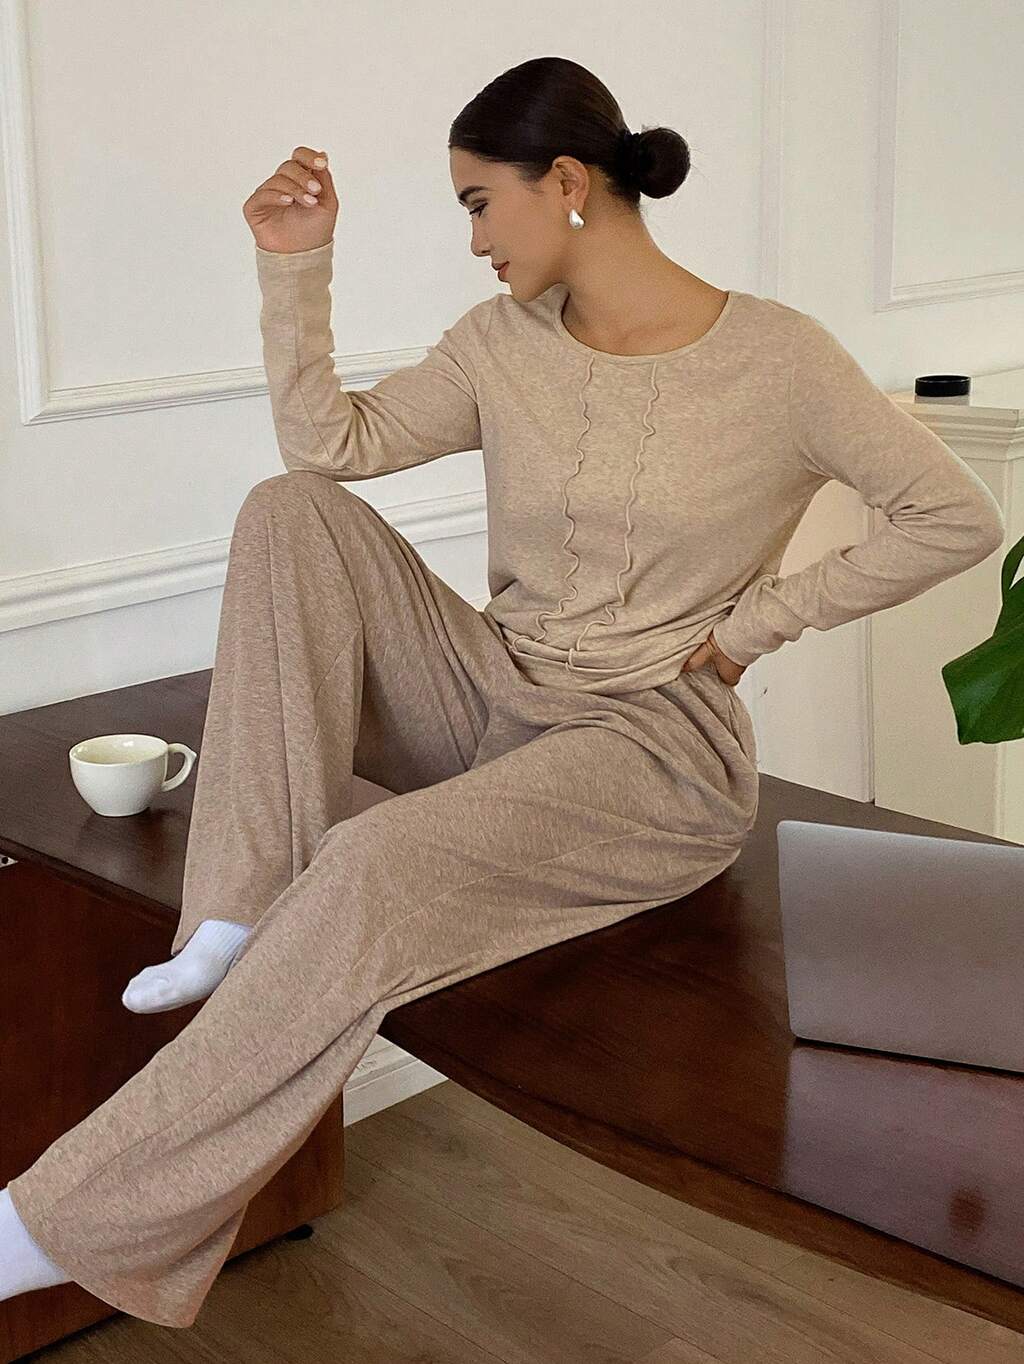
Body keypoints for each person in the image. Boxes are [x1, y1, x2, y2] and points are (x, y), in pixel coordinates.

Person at [0, 56, 1003, 1329]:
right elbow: (331, 448)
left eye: (480, 203)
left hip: (651, 749)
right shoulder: (501, 341)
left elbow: (953, 516)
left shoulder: (780, 358)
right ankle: (237, 908)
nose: (473, 238)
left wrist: (750, 628)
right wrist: (294, 266)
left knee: (365, 862)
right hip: (493, 693)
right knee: (290, 509)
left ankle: (53, 1225)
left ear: (567, 182)